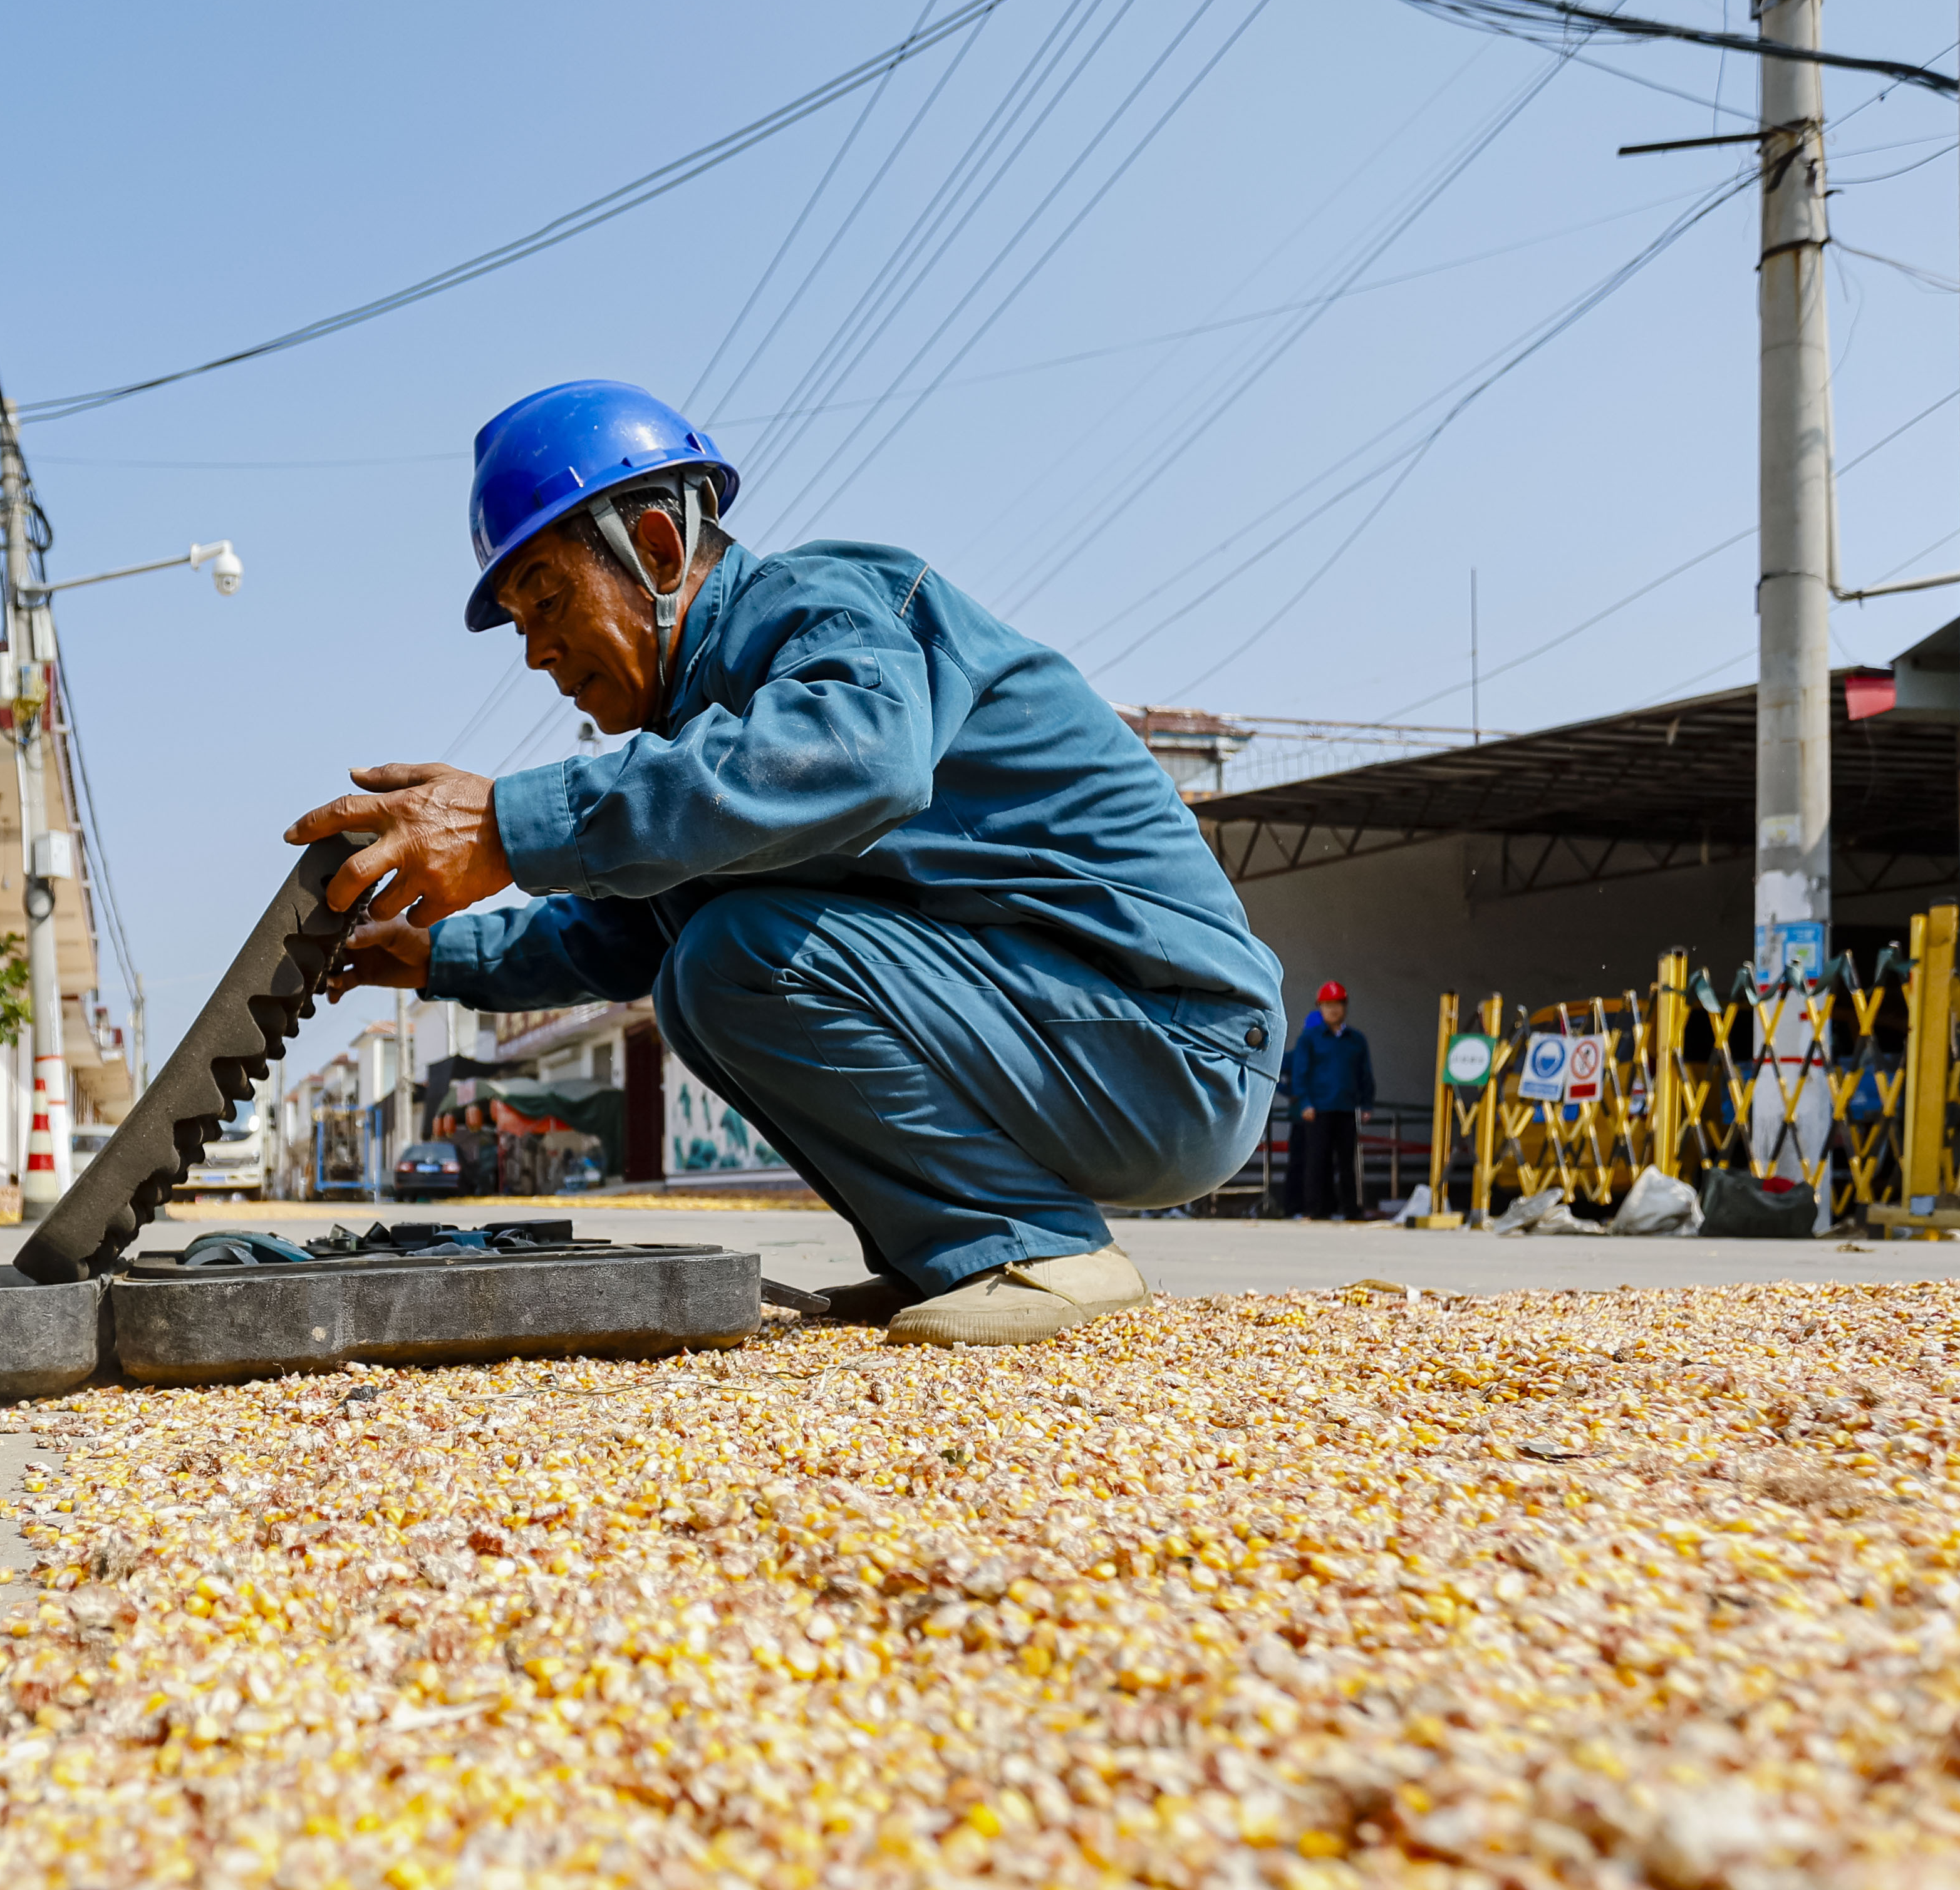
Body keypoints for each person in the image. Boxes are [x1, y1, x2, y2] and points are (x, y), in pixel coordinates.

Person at [285, 380, 1283, 1348]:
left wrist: (508, 823)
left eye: (548, 599)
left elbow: (865, 754)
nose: (538, 652)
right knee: (697, 974)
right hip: (1090, 1044)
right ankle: (954, 1252)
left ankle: (1039, 1251)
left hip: (1177, 1045)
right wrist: (435, 956)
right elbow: (631, 930)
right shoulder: (702, 730)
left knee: (742, 957)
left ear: (661, 548)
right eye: (522, 624)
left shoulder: (823, 605)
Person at [1279, 980, 1374, 1219]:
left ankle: (1351, 1209)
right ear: (1319, 1008)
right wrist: (1305, 1102)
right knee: (1316, 1160)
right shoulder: (1309, 1039)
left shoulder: (1356, 1040)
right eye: (1327, 1005)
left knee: (1346, 1163)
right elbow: (1300, 1073)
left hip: (1345, 1108)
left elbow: (1365, 1073)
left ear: (1345, 1006)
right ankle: (1314, 1209)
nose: (1333, 1010)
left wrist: (1366, 1103)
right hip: (1318, 1109)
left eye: (1337, 1004)